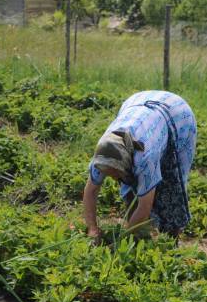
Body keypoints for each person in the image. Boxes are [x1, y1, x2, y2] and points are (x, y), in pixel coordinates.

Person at [82, 90, 197, 240]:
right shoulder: (103, 153)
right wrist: (92, 228)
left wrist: (122, 239)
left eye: (115, 174)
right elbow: (90, 191)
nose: (114, 178)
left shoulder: (145, 157)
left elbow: (144, 206)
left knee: (171, 185)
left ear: (127, 162)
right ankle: (139, 236)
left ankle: (170, 240)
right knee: (131, 191)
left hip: (177, 115)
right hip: (137, 104)